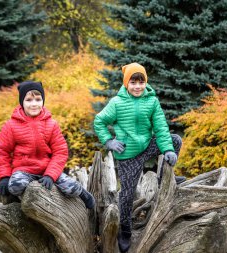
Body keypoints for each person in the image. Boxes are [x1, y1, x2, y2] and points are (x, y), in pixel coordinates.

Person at [93, 63, 185, 252]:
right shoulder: (117, 103)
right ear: (127, 83)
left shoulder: (151, 101)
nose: (137, 86)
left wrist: (167, 149)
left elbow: (160, 128)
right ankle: (125, 231)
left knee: (175, 140)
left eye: (141, 82)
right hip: (128, 155)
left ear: (145, 83)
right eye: (133, 82)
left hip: (146, 146)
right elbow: (99, 121)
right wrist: (109, 141)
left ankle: (164, 180)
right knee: (126, 195)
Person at [0, 81, 95, 209]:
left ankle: (83, 194)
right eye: (29, 100)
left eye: (38, 99)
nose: (34, 104)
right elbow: (2, 152)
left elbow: (60, 152)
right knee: (14, 187)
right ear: (22, 102)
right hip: (24, 170)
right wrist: (4, 176)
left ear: (43, 101)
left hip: (47, 169)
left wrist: (50, 175)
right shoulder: (10, 125)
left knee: (71, 189)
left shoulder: (51, 124)